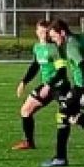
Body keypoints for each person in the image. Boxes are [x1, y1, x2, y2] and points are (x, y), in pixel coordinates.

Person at [41, 19, 84, 167]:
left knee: (62, 115)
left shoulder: (71, 46)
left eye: (54, 36)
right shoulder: (82, 38)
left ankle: (60, 157)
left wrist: (83, 92)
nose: (53, 40)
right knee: (72, 116)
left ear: (62, 33)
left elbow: (82, 64)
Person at [13, 21, 69, 150]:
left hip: (59, 86)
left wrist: (49, 85)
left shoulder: (55, 48)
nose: (43, 34)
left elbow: (62, 72)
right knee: (25, 111)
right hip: (46, 86)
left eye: (46, 31)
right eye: (41, 31)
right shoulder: (37, 47)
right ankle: (28, 142)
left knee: (71, 117)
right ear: (36, 31)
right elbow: (35, 66)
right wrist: (24, 81)